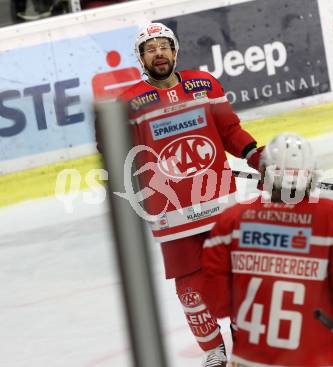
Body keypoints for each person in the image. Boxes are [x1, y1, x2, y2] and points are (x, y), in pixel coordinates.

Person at [99, 22, 263, 366]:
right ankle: (214, 353)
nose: (158, 53)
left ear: (175, 51)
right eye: (150, 48)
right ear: (141, 59)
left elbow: (228, 129)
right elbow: (114, 152)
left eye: (164, 46)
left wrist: (253, 155)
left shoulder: (205, 84)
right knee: (191, 292)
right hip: (172, 213)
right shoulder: (128, 102)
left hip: (220, 203)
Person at [201, 133, 333, 366]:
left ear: (265, 173)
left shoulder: (231, 221)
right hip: (315, 357)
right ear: (310, 174)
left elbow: (218, 303)